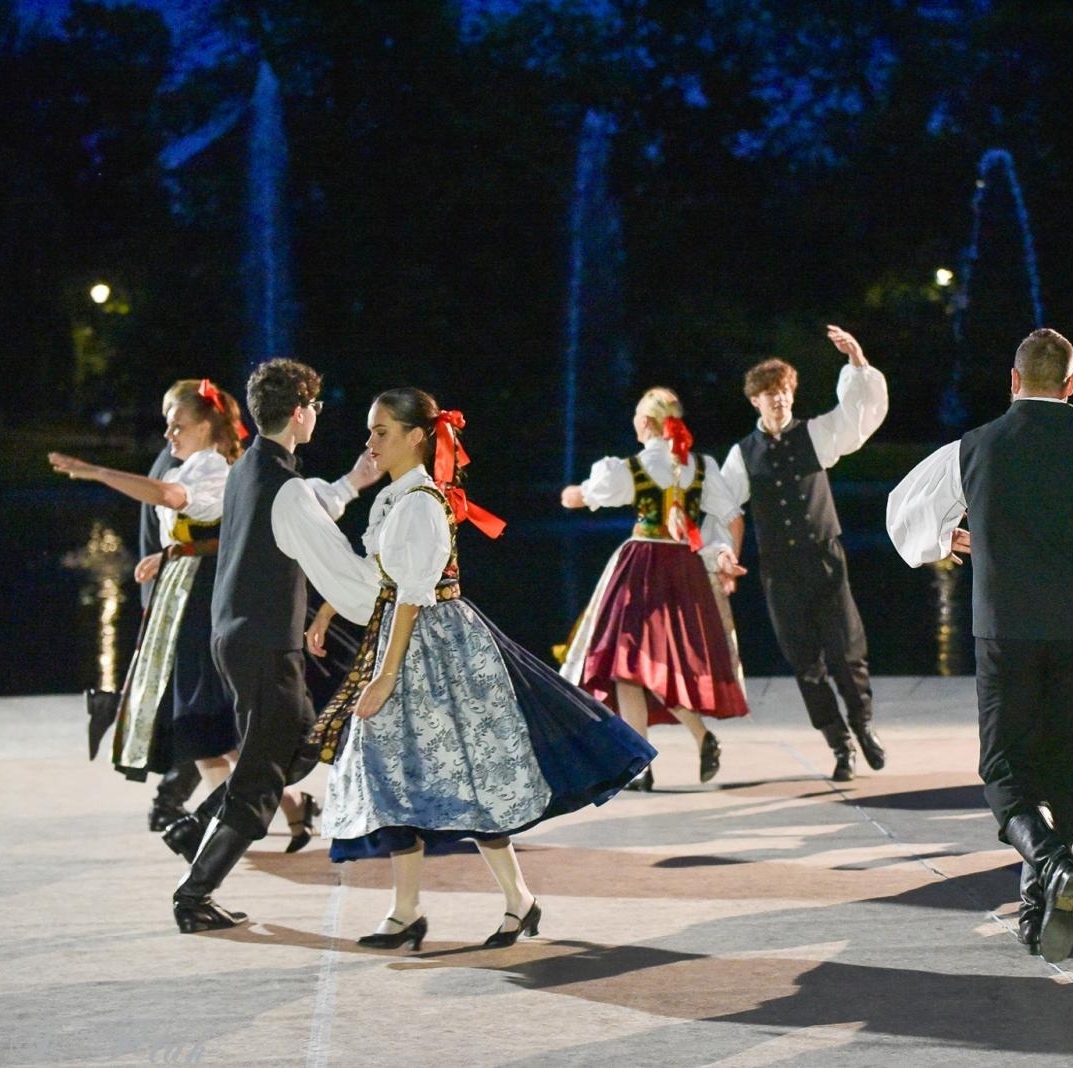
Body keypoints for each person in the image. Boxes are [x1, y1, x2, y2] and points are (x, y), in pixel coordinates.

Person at [300, 389, 655, 949]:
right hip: (398, 635)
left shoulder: (421, 502)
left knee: (469, 776)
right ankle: (406, 910)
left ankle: (519, 900)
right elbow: (377, 570)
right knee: (396, 776)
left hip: (437, 646)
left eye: (382, 431)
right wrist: (325, 611)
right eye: (371, 431)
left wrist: (386, 675)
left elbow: (413, 594)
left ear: (417, 437)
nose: (370, 442)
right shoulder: (392, 499)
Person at [886, 327, 1073, 963]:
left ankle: (1048, 864)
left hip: (1005, 631)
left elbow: (902, 510)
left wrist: (941, 541)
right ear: (1071, 384)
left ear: (1013, 381)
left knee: (1004, 768)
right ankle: (1038, 903)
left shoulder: (973, 448)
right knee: (1062, 766)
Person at [172, 359, 380, 933]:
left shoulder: (249, 469)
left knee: (302, 744)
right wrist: (389, 597)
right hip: (265, 645)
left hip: (238, 638)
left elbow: (302, 506)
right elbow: (327, 552)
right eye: (313, 406)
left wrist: (354, 484)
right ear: (298, 413)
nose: (316, 414)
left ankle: (194, 829)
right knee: (267, 774)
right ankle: (194, 895)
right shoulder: (279, 484)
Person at [50, 380, 247, 799]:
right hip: (181, 591)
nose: (168, 435)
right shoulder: (192, 464)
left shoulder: (210, 467)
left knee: (197, 716)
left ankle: (230, 820)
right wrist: (170, 555)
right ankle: (258, 809)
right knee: (194, 715)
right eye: (168, 425)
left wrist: (98, 472)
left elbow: (170, 496)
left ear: (208, 428)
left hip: (196, 599)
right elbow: (208, 528)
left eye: (178, 425)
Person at [717, 325, 889, 782]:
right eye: (771, 394)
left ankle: (864, 726)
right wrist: (723, 556)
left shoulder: (815, 435)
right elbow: (723, 508)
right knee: (805, 663)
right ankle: (839, 743)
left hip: (824, 558)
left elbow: (855, 417)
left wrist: (856, 361)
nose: (780, 400)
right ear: (756, 400)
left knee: (847, 652)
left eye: (786, 392)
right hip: (780, 570)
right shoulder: (742, 455)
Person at [559, 387, 748, 790]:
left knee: (628, 666)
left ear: (645, 423)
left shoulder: (634, 466)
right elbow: (733, 517)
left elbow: (583, 498)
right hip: (685, 570)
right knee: (653, 666)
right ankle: (690, 739)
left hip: (642, 568)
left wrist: (572, 495)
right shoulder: (701, 466)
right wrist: (727, 561)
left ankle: (642, 764)